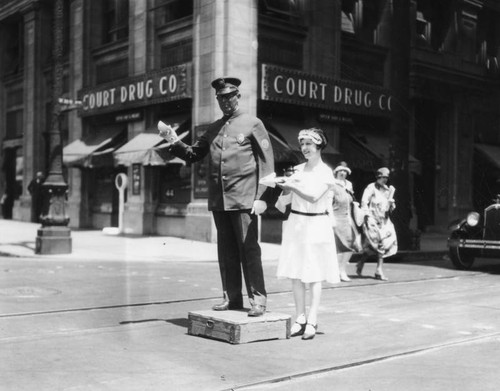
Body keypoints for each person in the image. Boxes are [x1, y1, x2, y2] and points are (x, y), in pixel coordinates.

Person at [158, 77, 274, 317]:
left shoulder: (253, 123)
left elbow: (267, 163)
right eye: (221, 98)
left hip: (244, 199)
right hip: (220, 200)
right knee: (226, 251)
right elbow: (193, 155)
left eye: (230, 96)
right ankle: (231, 298)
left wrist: (262, 197)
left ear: (238, 96)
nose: (226, 101)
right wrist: (173, 139)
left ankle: (258, 299)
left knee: (248, 249)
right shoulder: (213, 128)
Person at [275, 128, 340, 340]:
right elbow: (282, 204)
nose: (304, 148)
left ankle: (312, 318)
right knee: (295, 272)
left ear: (319, 146)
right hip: (297, 224)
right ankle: (300, 317)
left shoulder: (326, 173)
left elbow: (313, 197)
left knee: (314, 275)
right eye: (302, 144)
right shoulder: (297, 170)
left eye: (309, 144)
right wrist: (285, 190)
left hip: (316, 224)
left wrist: (293, 187)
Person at [356, 167, 397, 281]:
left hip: (384, 220)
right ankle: (362, 262)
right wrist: (367, 215)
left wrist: (391, 203)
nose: (384, 180)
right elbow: (364, 201)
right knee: (374, 244)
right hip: (373, 219)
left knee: (383, 244)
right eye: (382, 177)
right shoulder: (371, 187)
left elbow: (389, 208)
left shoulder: (388, 190)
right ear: (377, 177)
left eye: (386, 178)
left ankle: (378, 270)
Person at [331, 161, 361, 282]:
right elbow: (329, 203)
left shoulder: (348, 186)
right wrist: (331, 219)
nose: (343, 173)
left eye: (345, 171)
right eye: (340, 171)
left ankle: (342, 270)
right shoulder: (332, 185)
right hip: (336, 218)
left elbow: (350, 203)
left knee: (351, 245)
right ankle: (337, 272)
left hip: (347, 218)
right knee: (340, 247)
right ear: (336, 172)